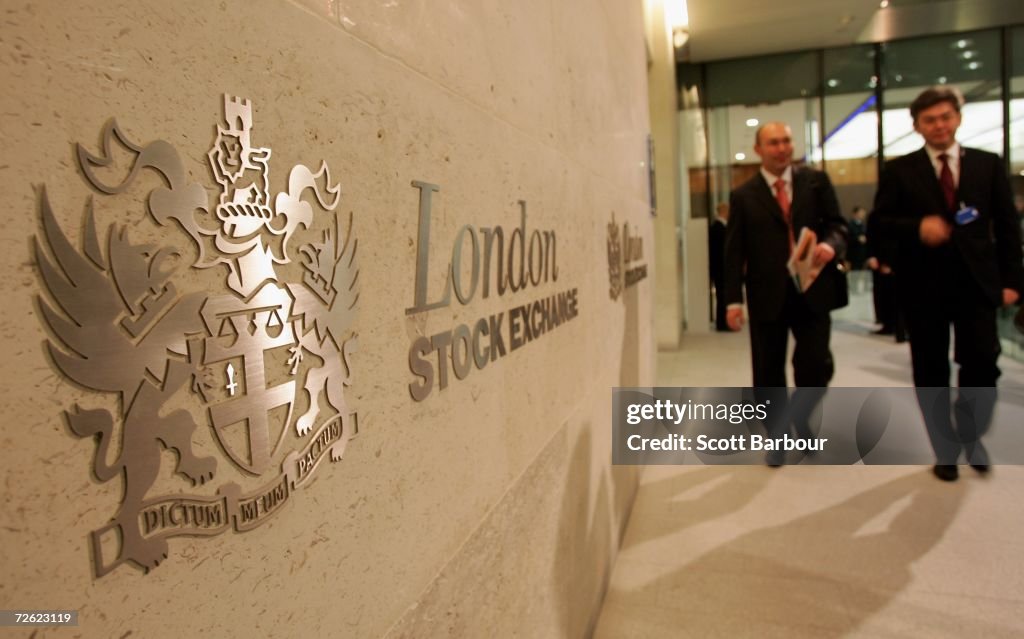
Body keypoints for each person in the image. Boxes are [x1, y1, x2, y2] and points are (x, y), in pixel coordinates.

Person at [872, 86, 1023, 482]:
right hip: (923, 288)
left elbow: (1008, 228)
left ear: (957, 118)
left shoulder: (987, 166)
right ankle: (944, 449)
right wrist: (917, 227)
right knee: (931, 369)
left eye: (945, 117)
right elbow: (880, 226)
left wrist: (1012, 282)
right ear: (917, 126)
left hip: (977, 286)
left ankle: (970, 433)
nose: (939, 125)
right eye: (929, 120)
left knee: (982, 367)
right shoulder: (899, 171)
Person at [724, 122, 848, 464]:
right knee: (767, 371)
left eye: (786, 141)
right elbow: (734, 253)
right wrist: (733, 301)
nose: (782, 148)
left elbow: (839, 226)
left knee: (816, 365)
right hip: (767, 295)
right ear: (758, 149)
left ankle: (800, 416)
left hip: (813, 289)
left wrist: (829, 244)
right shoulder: (744, 196)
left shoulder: (816, 182)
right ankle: (777, 435)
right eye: (773, 142)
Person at [709, 202, 730, 331]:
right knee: (722, 296)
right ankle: (722, 324)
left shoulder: (721, 227)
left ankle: (723, 322)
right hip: (720, 269)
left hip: (720, 268)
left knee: (723, 296)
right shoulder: (717, 228)